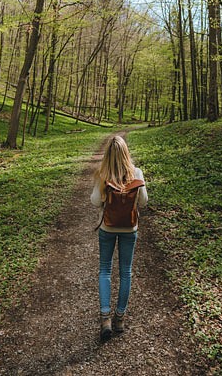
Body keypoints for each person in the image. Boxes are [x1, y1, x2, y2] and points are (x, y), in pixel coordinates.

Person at [90, 135, 148, 341]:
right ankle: (120, 318)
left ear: (108, 154)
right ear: (126, 153)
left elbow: (95, 202)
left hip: (107, 227)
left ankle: (105, 318)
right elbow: (143, 202)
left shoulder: (103, 174)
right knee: (126, 272)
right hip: (129, 229)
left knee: (105, 269)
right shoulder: (137, 173)